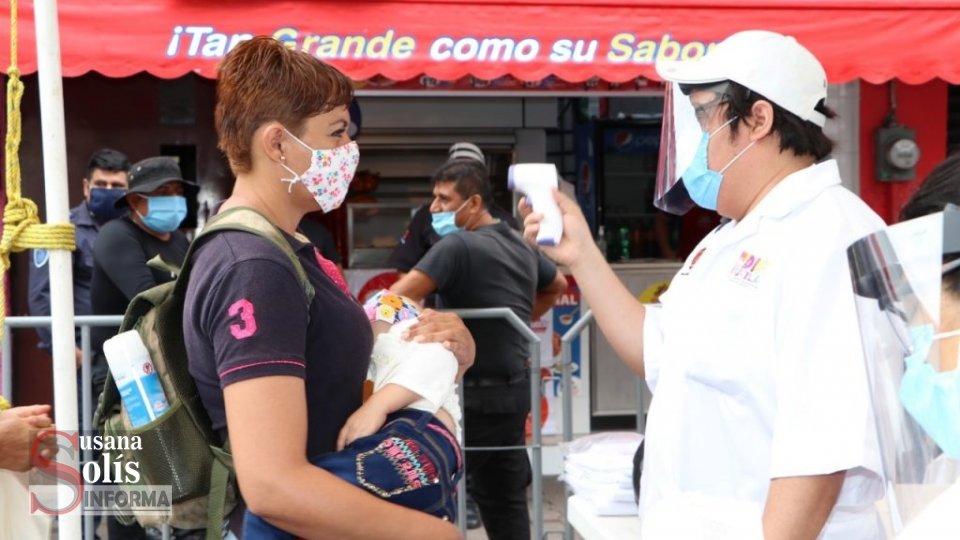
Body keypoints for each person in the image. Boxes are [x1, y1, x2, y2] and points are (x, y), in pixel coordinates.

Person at [522, 30, 886, 539]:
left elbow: (822, 445)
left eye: (702, 114)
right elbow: (659, 353)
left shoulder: (830, 234)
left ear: (758, 118)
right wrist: (581, 255)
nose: (693, 138)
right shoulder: (731, 236)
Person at [182, 36, 473, 539]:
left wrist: (435, 348)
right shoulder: (253, 266)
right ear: (276, 144)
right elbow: (273, 486)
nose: (349, 152)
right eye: (336, 134)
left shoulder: (284, 247)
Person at [391, 158, 567, 540]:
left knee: (431, 496)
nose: (433, 209)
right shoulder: (520, 246)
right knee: (505, 501)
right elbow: (558, 285)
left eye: (442, 199)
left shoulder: (457, 246)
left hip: (469, 400)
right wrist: (512, 323)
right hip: (514, 391)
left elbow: (394, 300)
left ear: (472, 204)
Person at [244, 290, 463, 538]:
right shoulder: (376, 362)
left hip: (417, 434)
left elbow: (439, 359)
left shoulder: (414, 337)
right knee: (309, 502)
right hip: (414, 450)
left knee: (289, 501)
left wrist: (377, 405)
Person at [90, 156, 195, 540]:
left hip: (167, 368)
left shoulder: (181, 239)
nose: (172, 199)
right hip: (119, 376)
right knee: (125, 475)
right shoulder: (117, 235)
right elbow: (145, 296)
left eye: (176, 191)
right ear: (135, 201)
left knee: (169, 473)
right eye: (160, 193)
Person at [28, 148, 130, 402]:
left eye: (116, 185)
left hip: (132, 354)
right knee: (86, 434)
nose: (108, 190)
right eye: (101, 184)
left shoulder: (136, 230)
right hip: (86, 354)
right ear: (86, 187)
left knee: (130, 436)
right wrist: (64, 347)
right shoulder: (63, 230)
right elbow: (40, 296)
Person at [387, 141, 520, 276]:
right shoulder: (426, 216)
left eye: (470, 174)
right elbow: (404, 270)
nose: (435, 208)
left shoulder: (506, 225)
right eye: (455, 173)